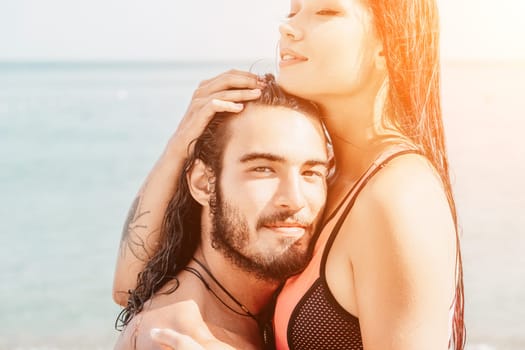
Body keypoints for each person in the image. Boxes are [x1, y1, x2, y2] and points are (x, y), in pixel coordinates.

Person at [113, 0, 466, 348]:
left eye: (326, 11)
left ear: (390, 46)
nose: (288, 27)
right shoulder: (327, 179)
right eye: (293, 11)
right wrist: (182, 143)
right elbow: (130, 288)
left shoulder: (399, 195)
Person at [114, 76, 330, 349]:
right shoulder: (175, 339)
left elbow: (126, 289)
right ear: (203, 183)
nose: (295, 199)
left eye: (311, 172)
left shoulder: (244, 306)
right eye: (263, 169)